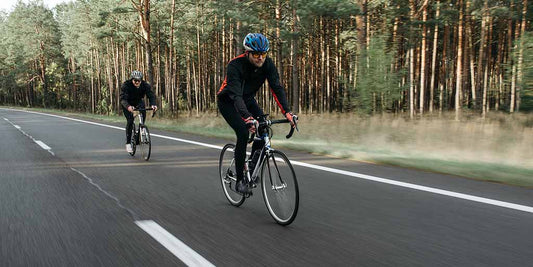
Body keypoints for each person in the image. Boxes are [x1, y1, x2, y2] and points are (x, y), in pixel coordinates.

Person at [217, 33, 296, 194]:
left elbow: (277, 88)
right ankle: (240, 180)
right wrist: (247, 118)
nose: (260, 58)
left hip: (247, 100)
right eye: (256, 54)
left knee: (264, 128)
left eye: (263, 54)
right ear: (247, 53)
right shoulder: (235, 65)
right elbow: (236, 96)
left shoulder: (268, 64)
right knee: (243, 132)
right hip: (228, 101)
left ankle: (252, 167)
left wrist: (287, 112)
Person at [120, 70, 158, 153]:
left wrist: (153, 104)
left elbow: (151, 95)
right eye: (135, 80)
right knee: (130, 121)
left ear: (141, 80)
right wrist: (128, 107)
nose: (137, 82)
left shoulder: (145, 85)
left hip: (138, 102)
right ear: (132, 79)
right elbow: (123, 99)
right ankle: (128, 143)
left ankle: (140, 132)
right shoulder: (126, 85)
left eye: (138, 81)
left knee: (142, 117)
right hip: (127, 103)